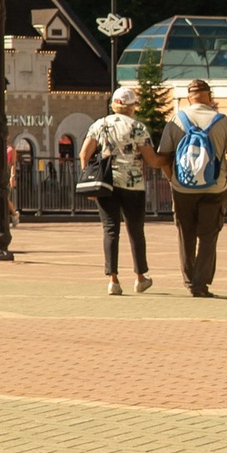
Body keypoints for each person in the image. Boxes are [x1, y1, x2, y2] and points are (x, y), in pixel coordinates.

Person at [165, 76, 227, 297]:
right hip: (214, 188)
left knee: (186, 234)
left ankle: (190, 281)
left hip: (183, 188)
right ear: (209, 97)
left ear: (189, 98)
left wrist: (172, 178)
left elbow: (164, 155)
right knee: (208, 236)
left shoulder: (177, 120)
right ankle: (201, 284)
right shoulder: (223, 121)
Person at [79, 85, 155, 296]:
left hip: (105, 184)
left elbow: (84, 154)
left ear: (114, 105)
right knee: (135, 230)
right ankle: (140, 277)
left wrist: (89, 180)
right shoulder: (138, 128)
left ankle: (113, 279)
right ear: (132, 107)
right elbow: (151, 159)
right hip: (133, 185)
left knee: (110, 229)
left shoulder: (99, 125)